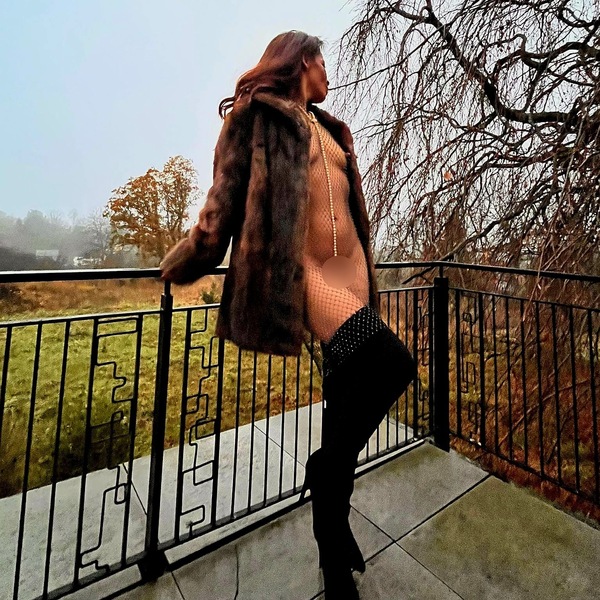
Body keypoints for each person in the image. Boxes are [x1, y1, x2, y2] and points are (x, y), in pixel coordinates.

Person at [160, 30, 416, 600]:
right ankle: (323, 475)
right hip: (307, 274)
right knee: (395, 365)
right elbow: (221, 206)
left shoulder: (331, 128)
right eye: (324, 62)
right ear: (303, 59)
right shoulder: (254, 118)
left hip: (353, 273)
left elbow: (344, 205)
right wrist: (184, 260)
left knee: (343, 417)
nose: (330, 74)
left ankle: (333, 558)